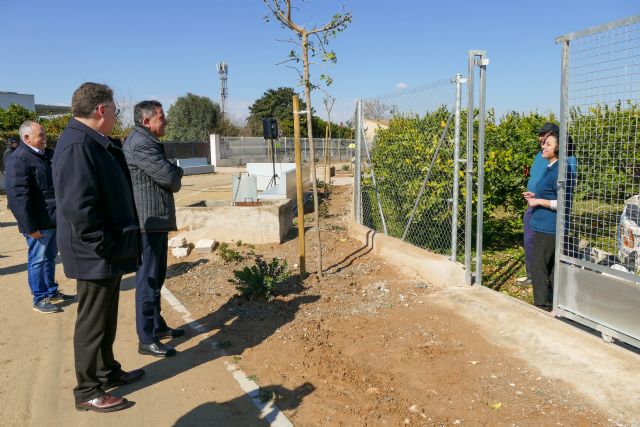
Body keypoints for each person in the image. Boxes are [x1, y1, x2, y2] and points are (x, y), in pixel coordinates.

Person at [52, 82, 144, 413]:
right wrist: (105, 244)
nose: (116, 117)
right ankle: (88, 390)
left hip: (107, 250)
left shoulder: (91, 141)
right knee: (92, 322)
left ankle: (107, 371)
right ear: (101, 111)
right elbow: (79, 208)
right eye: (114, 110)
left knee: (106, 317)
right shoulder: (78, 145)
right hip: (95, 252)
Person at [123, 100, 185, 357]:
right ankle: (146, 337)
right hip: (147, 223)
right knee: (148, 280)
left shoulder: (147, 140)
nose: (165, 120)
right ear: (146, 121)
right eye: (161, 116)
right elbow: (170, 178)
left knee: (157, 279)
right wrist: (177, 170)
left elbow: (168, 173)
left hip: (155, 221)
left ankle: (156, 326)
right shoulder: (141, 143)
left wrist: (174, 170)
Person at [5, 121, 74, 313]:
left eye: (44, 135)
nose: (45, 138)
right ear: (26, 138)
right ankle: (39, 297)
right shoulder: (19, 159)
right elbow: (18, 197)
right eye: (40, 135)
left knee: (50, 258)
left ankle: (51, 291)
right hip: (37, 224)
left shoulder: (46, 156)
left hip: (52, 220)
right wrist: (30, 227)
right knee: (37, 259)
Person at [524, 130, 576, 311]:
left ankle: (541, 306)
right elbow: (551, 193)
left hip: (549, 228)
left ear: (559, 148)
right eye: (543, 143)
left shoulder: (561, 170)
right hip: (544, 226)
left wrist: (538, 201)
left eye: (548, 143)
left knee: (539, 267)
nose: (543, 146)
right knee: (551, 268)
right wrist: (535, 195)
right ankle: (555, 304)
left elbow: (563, 202)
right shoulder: (552, 167)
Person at [520, 122, 559, 286]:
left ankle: (543, 281)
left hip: (546, 207)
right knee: (529, 239)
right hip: (534, 203)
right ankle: (533, 275)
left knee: (541, 244)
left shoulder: (562, 159)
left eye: (545, 135)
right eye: (540, 134)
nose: (541, 138)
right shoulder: (540, 154)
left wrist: (540, 199)